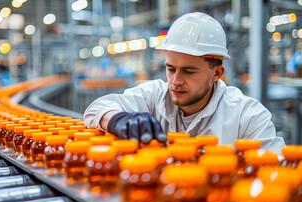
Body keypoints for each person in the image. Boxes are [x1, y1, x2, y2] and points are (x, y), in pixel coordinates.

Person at [83, 12, 285, 152]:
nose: (175, 81)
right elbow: (95, 109)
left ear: (217, 73)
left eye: (188, 71)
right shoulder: (153, 96)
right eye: (170, 69)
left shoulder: (247, 116)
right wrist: (118, 119)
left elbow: (278, 173)